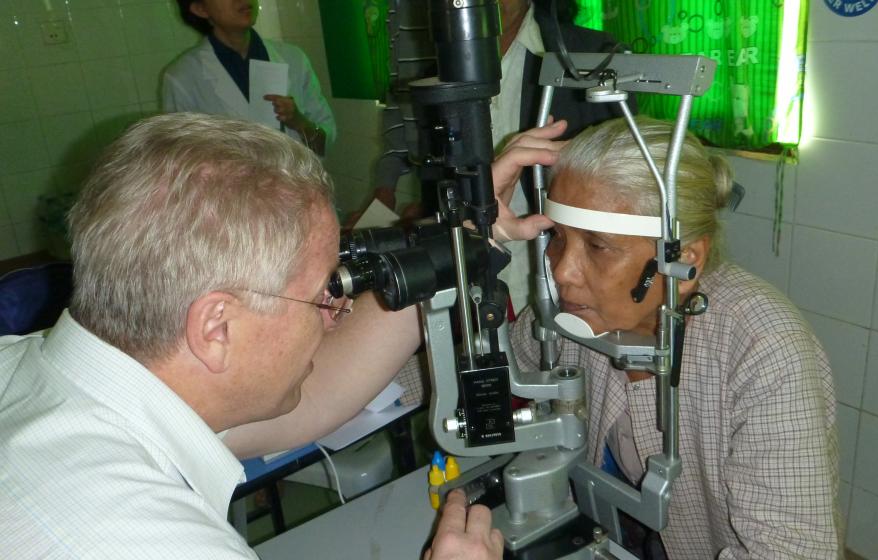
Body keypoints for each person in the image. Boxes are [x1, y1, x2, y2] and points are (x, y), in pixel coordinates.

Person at [0, 113, 501, 559]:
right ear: (216, 327)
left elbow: (318, 394)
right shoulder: (162, 543)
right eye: (321, 295)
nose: (335, 314)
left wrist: (457, 247)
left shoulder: (43, 370)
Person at [498, 117, 842, 558]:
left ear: (684, 260)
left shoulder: (764, 348)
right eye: (557, 238)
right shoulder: (572, 316)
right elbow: (485, 371)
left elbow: (792, 551)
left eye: (598, 246)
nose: (561, 270)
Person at [370, 0, 632, 314]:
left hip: (567, 275)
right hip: (477, 276)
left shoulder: (591, 54)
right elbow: (439, 181)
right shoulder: (439, 78)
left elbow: (623, 182)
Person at [163, 0, 335, 156]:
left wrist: (298, 122)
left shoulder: (294, 59)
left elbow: (324, 145)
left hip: (297, 185)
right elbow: (183, 161)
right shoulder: (182, 77)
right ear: (200, 9)